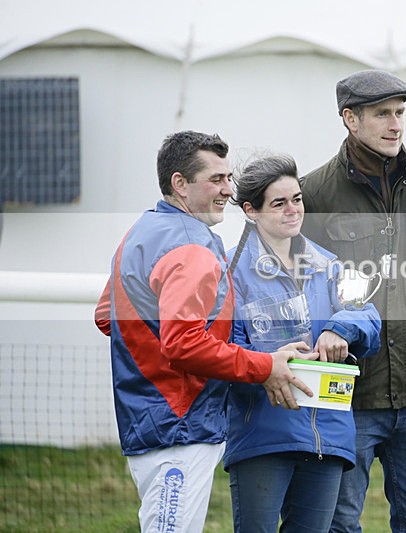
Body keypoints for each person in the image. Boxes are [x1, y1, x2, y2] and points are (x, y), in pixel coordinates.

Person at [94, 131, 314, 532]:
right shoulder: (193, 243)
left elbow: (108, 316)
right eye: (216, 179)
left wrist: (157, 354)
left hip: (149, 418)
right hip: (180, 426)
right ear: (180, 183)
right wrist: (263, 365)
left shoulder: (142, 230)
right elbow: (182, 342)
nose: (228, 190)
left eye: (228, 178)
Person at [300, 70, 406, 533]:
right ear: (350, 119)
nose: (396, 125)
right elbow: (305, 290)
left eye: (400, 113)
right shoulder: (313, 193)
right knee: (339, 521)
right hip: (348, 390)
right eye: (382, 114)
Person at [223, 153, 381, 532]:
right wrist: (268, 361)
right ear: (251, 211)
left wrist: (340, 328)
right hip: (264, 435)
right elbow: (224, 347)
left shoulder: (331, 266)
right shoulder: (228, 271)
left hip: (327, 435)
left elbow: (369, 315)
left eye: (297, 199)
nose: (293, 210)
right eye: (279, 203)